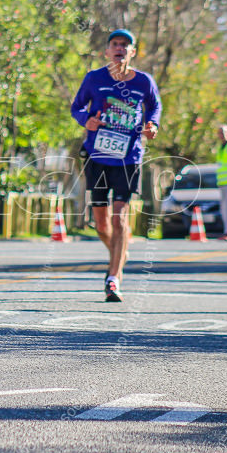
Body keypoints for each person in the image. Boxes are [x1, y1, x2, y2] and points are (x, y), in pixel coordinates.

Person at [71, 29, 161, 302]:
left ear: (132, 52)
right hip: (97, 157)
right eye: (115, 44)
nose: (120, 48)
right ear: (107, 51)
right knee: (100, 224)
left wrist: (152, 125)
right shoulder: (94, 78)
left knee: (119, 217)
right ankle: (119, 252)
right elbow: (77, 107)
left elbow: (154, 107)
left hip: (129, 157)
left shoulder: (144, 81)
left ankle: (113, 279)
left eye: (125, 45)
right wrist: (86, 120)